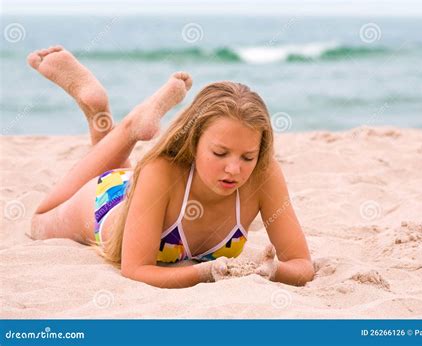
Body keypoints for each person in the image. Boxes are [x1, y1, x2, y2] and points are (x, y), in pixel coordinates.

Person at [27, 46, 315, 288]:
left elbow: (302, 265)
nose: (234, 169)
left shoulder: (265, 174)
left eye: (247, 157)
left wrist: (274, 271)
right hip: (108, 201)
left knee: (132, 171)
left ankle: (97, 113)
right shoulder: (161, 170)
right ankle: (130, 128)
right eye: (220, 152)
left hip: (146, 195)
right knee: (39, 223)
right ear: (193, 140)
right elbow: (136, 269)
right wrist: (205, 273)